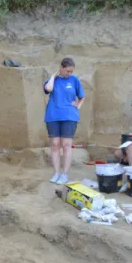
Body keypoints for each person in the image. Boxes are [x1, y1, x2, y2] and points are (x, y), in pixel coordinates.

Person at [43, 57, 85, 185]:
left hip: (69, 116)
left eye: (71, 71)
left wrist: (77, 106)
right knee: (55, 144)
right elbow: (48, 89)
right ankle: (56, 173)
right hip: (53, 115)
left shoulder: (74, 80)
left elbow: (82, 96)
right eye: (67, 71)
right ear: (61, 68)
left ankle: (64, 174)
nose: (69, 74)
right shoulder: (53, 80)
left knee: (66, 145)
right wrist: (53, 76)